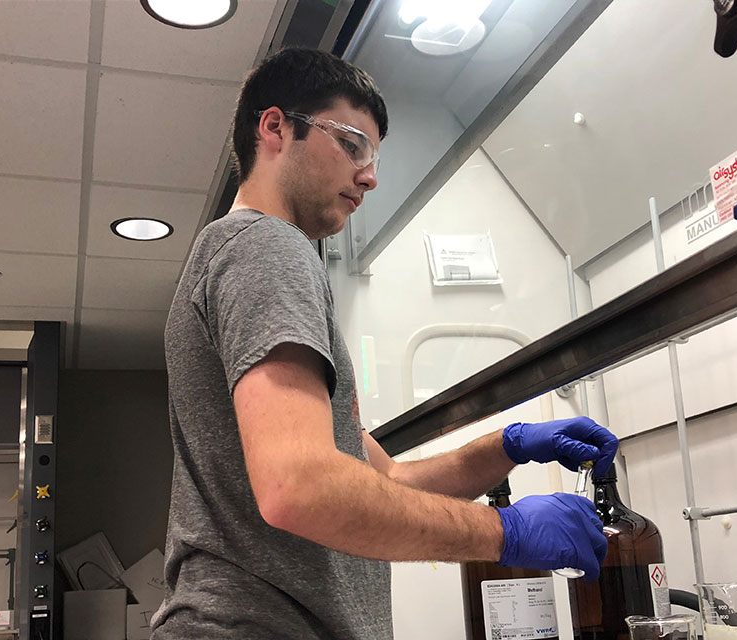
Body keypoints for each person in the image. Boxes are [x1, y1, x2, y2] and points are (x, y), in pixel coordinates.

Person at [150, 48, 619, 640]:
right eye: (351, 144)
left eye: (372, 155)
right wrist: (505, 533)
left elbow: (386, 480)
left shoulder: (235, 255)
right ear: (274, 127)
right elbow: (301, 487)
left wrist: (504, 447)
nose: (369, 174)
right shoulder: (265, 246)